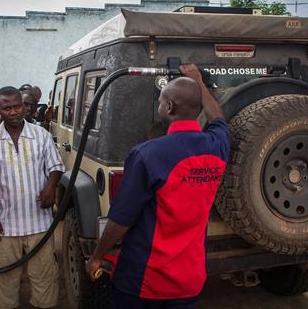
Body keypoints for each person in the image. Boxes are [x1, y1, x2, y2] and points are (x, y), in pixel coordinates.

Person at [85, 64, 230, 308]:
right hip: (189, 278)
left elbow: (122, 219)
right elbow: (218, 118)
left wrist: (97, 256)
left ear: (169, 107)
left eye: (161, 100)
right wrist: (198, 82)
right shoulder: (218, 146)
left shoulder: (147, 154)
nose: (160, 104)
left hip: (144, 279)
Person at [0, 86, 65, 309]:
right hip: (5, 226)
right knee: (4, 283)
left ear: (23, 106)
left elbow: (56, 166)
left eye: (17, 106)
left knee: (44, 279)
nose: (13, 112)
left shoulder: (41, 135)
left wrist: (51, 186)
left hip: (39, 224)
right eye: (7, 108)